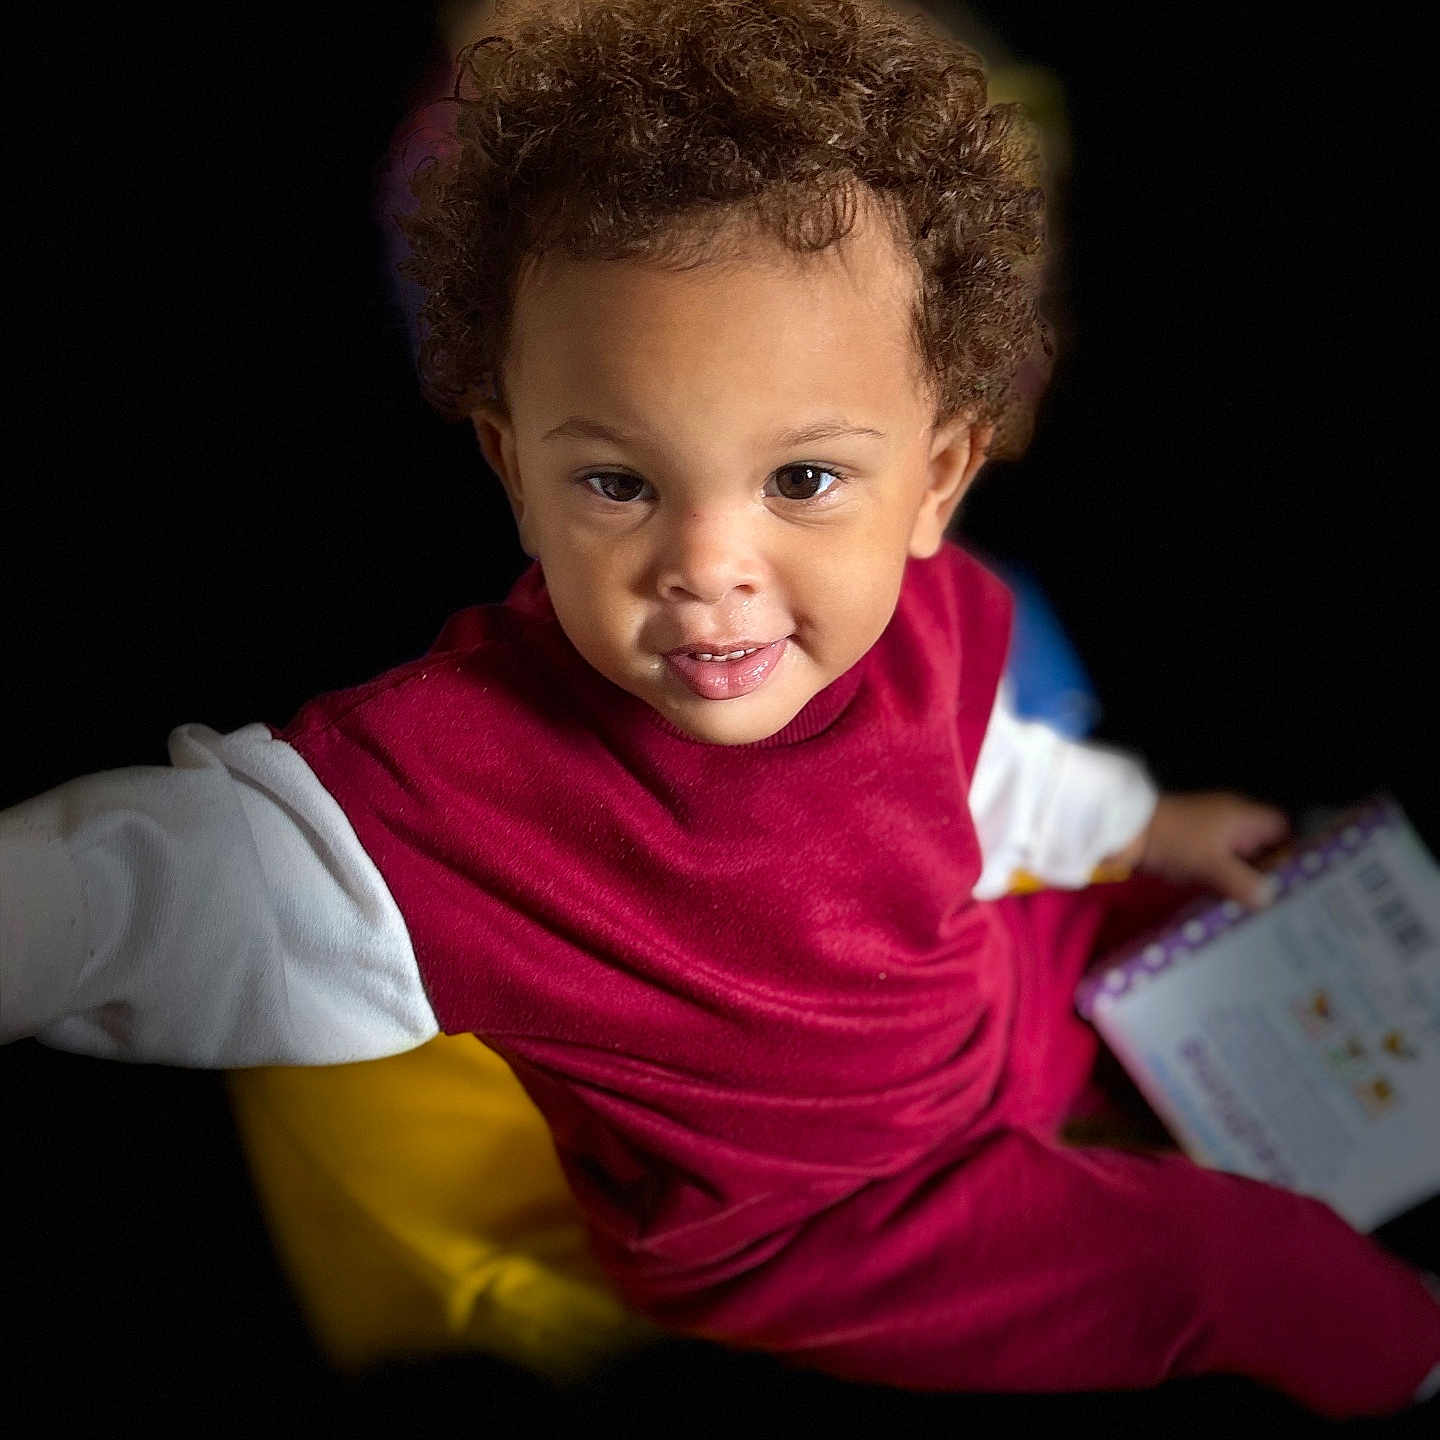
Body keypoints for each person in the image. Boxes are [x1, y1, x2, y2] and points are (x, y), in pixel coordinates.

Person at [2, 0, 1436, 1420]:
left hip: (977, 1013)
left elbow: (989, 787)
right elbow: (159, 892)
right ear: (512, 467)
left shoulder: (919, 616)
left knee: (1233, 924)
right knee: (1249, 1272)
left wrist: (1145, 823)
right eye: (617, 482)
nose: (706, 569)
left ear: (936, 481)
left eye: (801, 482)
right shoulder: (452, 791)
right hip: (835, 1227)